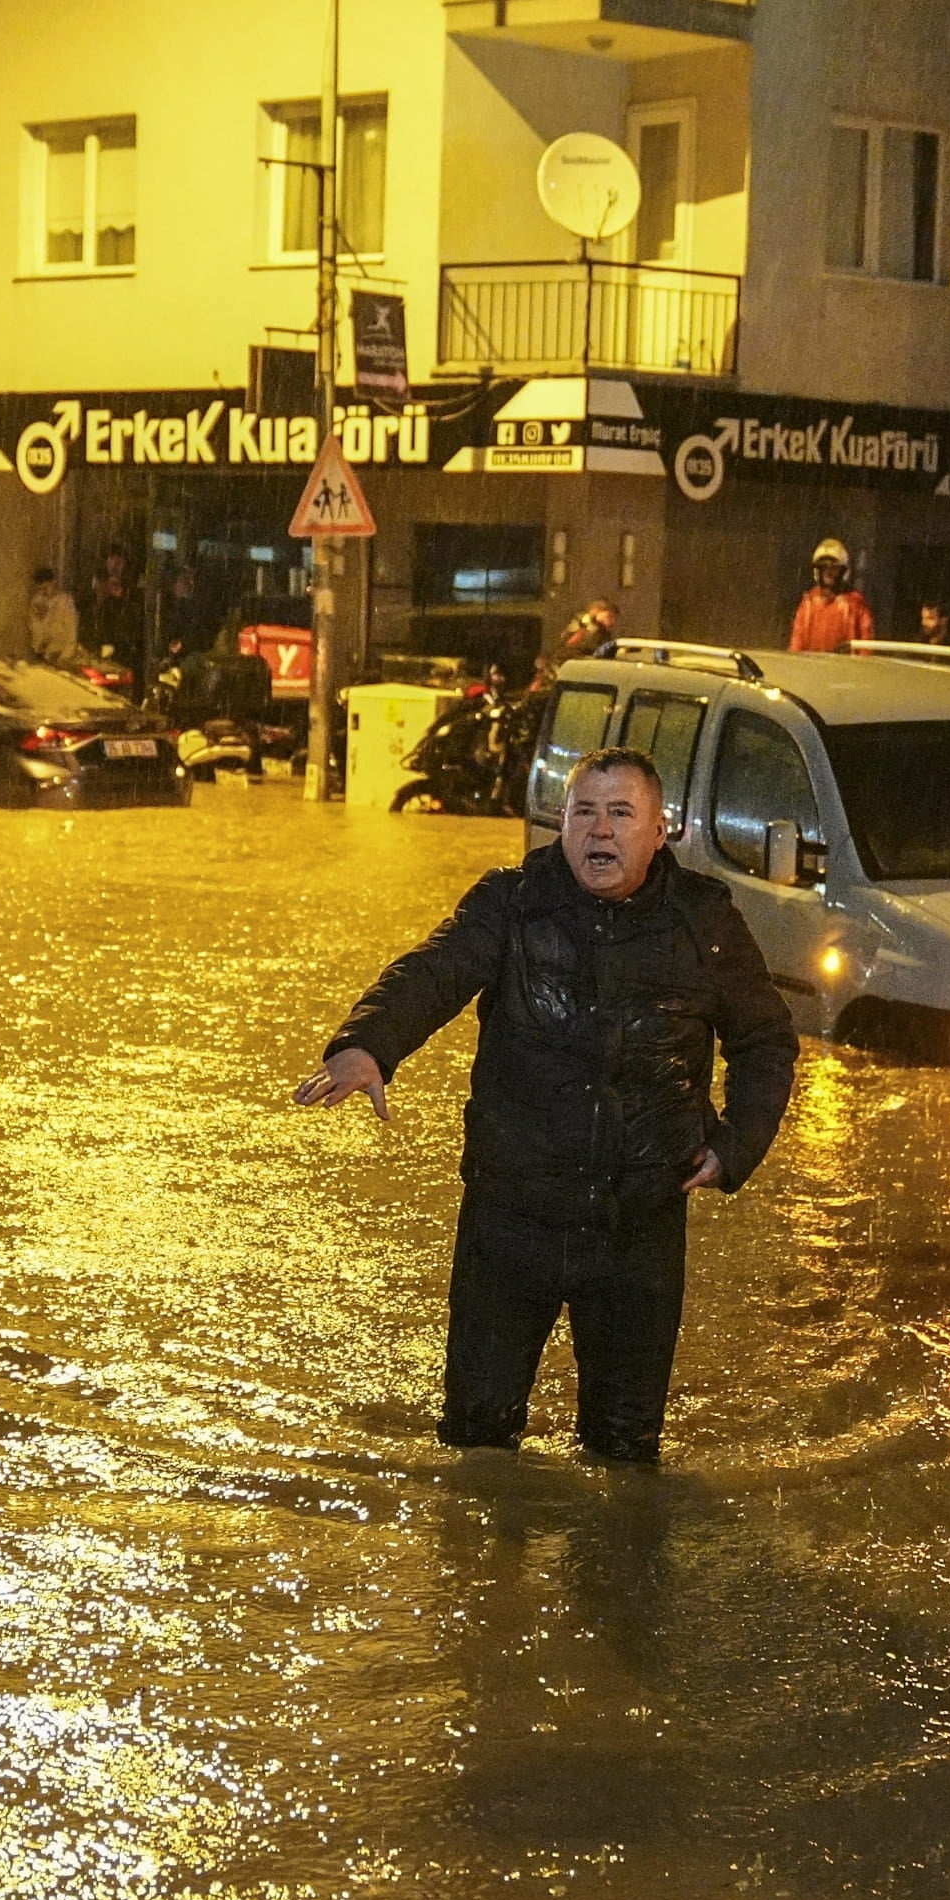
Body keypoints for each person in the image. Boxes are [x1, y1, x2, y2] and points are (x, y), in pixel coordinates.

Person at [294, 748, 798, 1467]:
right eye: (583, 812)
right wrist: (367, 1046)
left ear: (660, 831)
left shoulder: (704, 922)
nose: (600, 830)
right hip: (510, 1222)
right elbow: (432, 973)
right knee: (476, 1443)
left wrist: (735, 1145)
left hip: (639, 1228)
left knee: (626, 1457)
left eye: (620, 813)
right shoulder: (511, 904)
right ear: (560, 826)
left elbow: (765, 1041)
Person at [789, 539, 874, 652]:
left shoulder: (856, 603)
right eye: (824, 567)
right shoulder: (808, 603)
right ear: (818, 571)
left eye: (834, 568)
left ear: (843, 571)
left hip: (845, 663)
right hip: (812, 662)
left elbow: (866, 646)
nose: (828, 572)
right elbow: (796, 644)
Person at [81, 546, 146, 664]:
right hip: (100, 637)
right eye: (112, 560)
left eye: (119, 562)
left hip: (122, 642)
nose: (115, 565)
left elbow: (136, 612)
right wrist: (101, 593)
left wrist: (121, 595)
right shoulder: (98, 581)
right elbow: (88, 606)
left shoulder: (131, 586)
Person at [26, 565, 83, 665]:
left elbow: (71, 634)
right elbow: (34, 630)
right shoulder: (37, 601)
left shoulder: (65, 601)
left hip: (61, 654)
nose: (43, 592)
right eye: (40, 589)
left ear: (53, 582)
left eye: (45, 588)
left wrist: (64, 657)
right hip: (41, 654)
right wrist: (41, 618)